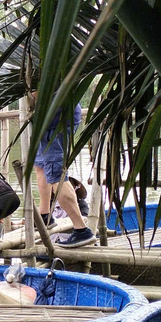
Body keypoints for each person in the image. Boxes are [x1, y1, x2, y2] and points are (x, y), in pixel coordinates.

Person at [33, 100, 96, 248]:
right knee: (40, 165)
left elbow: (37, 94)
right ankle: (45, 216)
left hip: (57, 121)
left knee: (56, 174)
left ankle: (81, 229)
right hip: (48, 121)